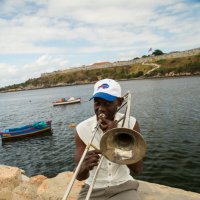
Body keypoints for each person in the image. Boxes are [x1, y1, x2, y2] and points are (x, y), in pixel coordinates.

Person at [75, 78, 143, 200]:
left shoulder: (131, 123)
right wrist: (84, 167)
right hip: (93, 188)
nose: (101, 109)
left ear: (119, 102)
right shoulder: (81, 129)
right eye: (97, 103)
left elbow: (137, 169)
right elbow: (79, 177)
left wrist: (115, 136)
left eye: (107, 103)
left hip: (123, 185)